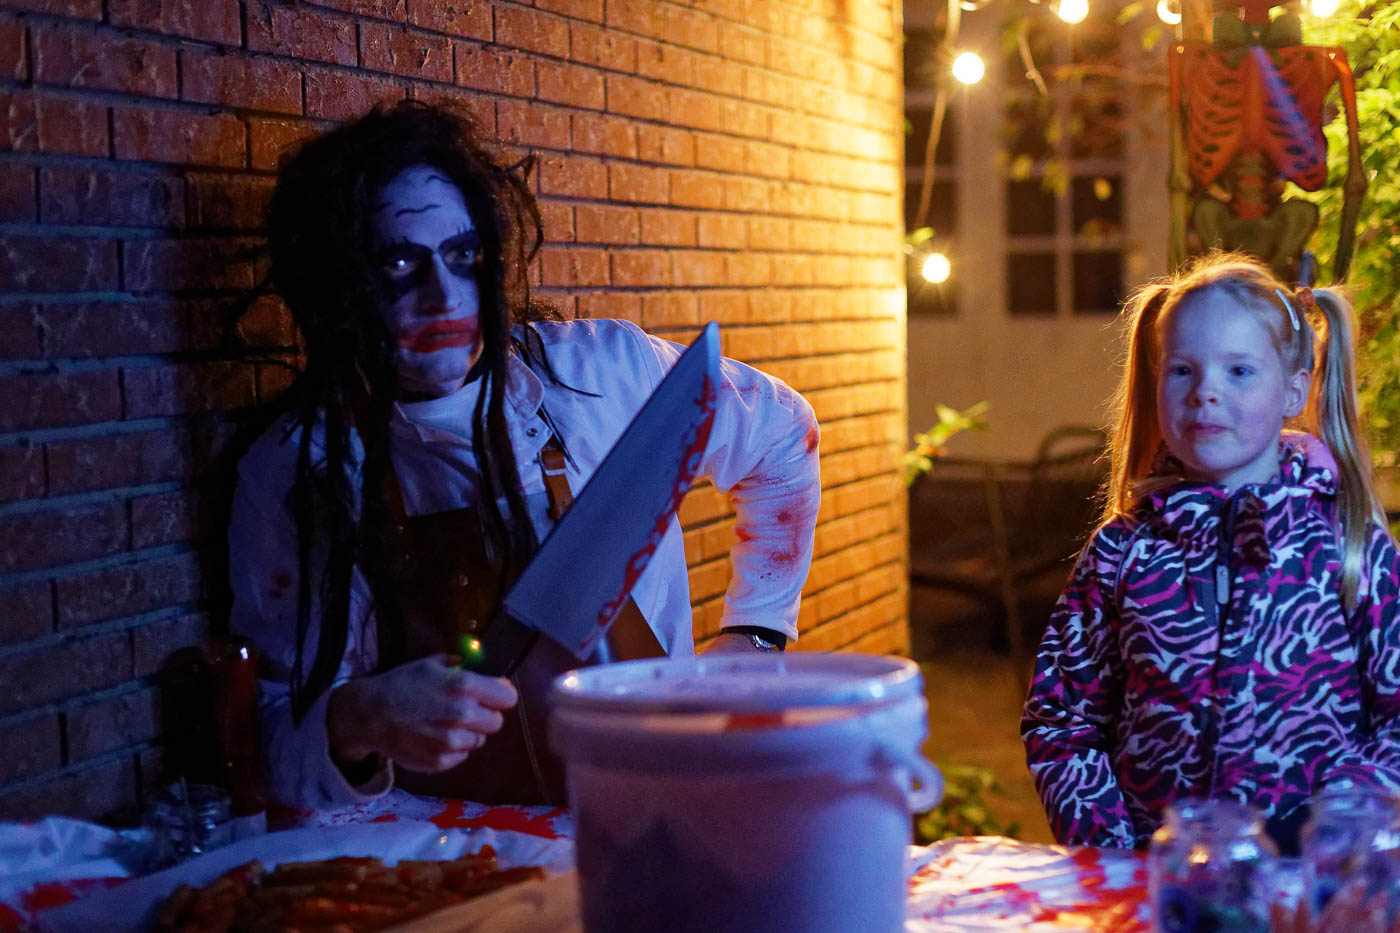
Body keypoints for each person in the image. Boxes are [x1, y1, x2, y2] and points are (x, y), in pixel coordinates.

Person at [227, 100, 821, 810]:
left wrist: (757, 633)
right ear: (335, 286)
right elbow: (267, 746)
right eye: (398, 262)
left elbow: (785, 435)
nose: (444, 295)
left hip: (656, 808)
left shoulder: (606, 375)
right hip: (436, 848)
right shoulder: (298, 469)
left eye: (463, 255)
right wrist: (356, 719)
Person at [1021, 252, 1400, 851]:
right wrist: (1115, 858)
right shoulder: (1123, 551)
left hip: (1312, 880)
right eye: (1182, 371)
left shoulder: (1347, 544)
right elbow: (1061, 718)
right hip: (1155, 882)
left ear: (1293, 390)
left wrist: (1333, 830)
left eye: (1239, 371)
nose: (1206, 394)